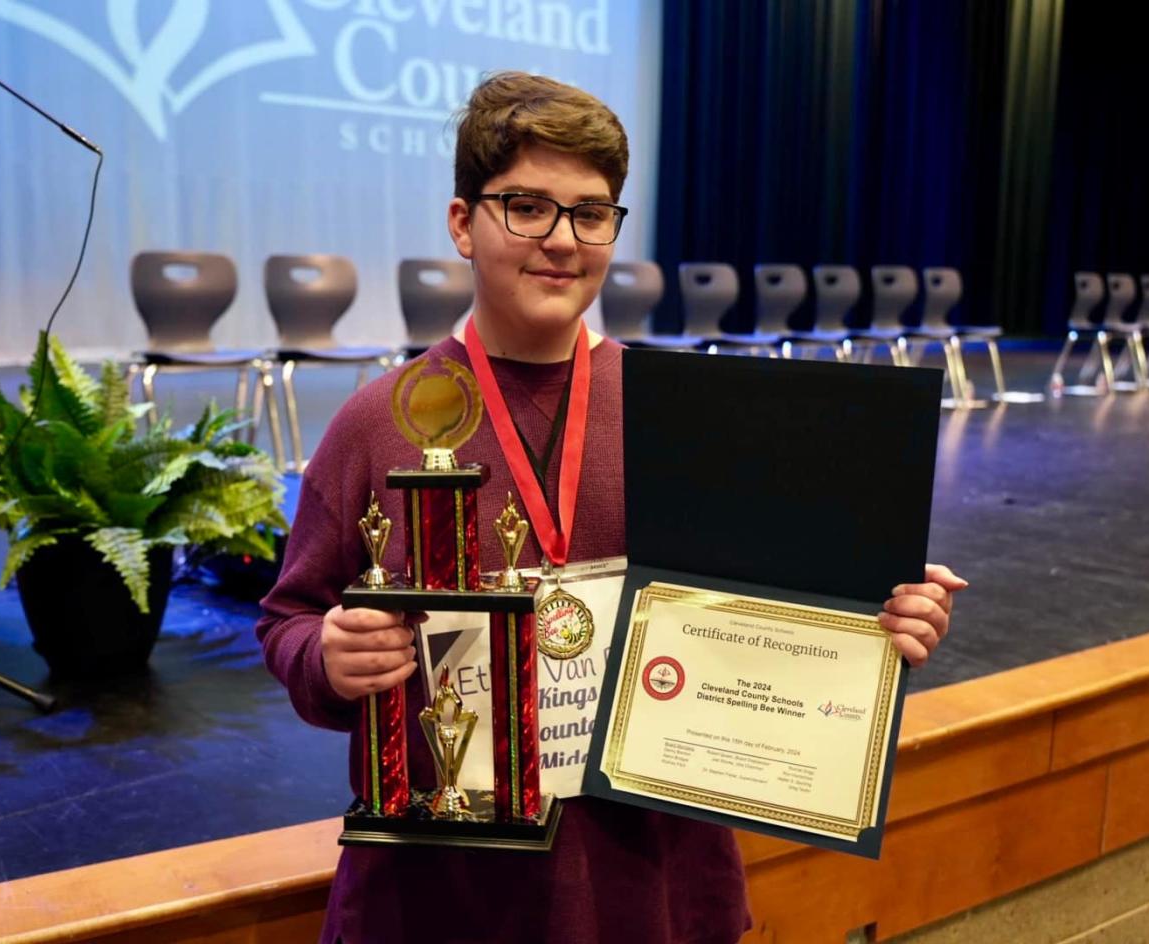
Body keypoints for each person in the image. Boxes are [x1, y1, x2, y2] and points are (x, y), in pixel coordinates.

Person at [256, 71, 968, 944]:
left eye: (590, 214)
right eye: (526, 206)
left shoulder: (694, 416)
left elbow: (777, 614)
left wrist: (873, 624)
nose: (561, 240)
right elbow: (289, 617)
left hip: (655, 887)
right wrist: (326, 657)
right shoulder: (380, 422)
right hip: (444, 896)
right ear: (461, 224)